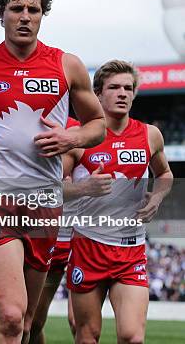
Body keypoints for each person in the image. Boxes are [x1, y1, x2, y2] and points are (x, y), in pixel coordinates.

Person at [0, 0, 106, 343]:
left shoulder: (67, 65)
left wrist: (71, 137)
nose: (24, 16)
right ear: (1, 14)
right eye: (16, 8)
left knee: (27, 323)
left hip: (44, 203)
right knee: (7, 314)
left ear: (42, 15)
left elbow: (97, 125)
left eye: (32, 10)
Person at [66, 60, 173, 344]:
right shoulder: (80, 138)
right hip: (88, 245)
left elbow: (164, 173)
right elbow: (53, 189)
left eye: (128, 88)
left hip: (131, 250)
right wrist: (82, 188)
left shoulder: (150, 135)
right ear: (98, 94)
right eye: (114, 87)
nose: (122, 93)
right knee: (87, 335)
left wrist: (158, 197)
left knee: (132, 337)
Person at [29, 117, 82, 344]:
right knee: (32, 324)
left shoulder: (84, 130)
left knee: (78, 321)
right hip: (47, 237)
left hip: (81, 238)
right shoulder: (26, 124)